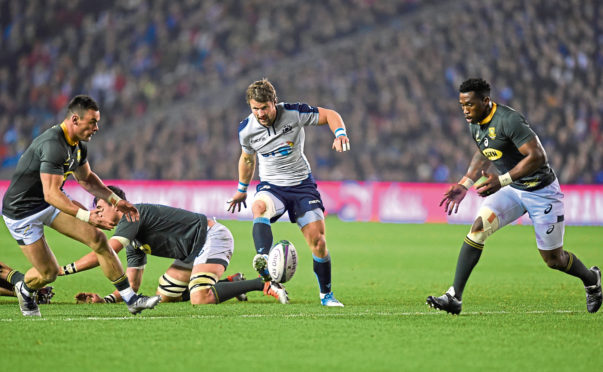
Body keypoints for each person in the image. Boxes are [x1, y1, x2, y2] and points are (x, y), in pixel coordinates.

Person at [427, 78, 602, 314]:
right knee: (478, 228)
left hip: (541, 192)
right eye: (462, 105)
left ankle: (592, 279)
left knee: (554, 259)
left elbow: (538, 157)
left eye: (469, 104)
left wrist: (501, 180)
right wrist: (466, 182)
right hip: (514, 189)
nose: (465, 110)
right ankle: (454, 297)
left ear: (486, 101)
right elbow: (484, 151)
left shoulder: (509, 120)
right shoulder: (475, 122)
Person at [1, 95, 160, 316]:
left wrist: (116, 200)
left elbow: (87, 179)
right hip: (22, 213)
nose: (96, 127)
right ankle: (25, 289)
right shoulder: (53, 144)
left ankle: (131, 299)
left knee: (98, 240)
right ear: (75, 119)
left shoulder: (77, 145)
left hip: (49, 201)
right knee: (48, 273)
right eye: (93, 122)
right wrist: (87, 216)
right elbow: (50, 193)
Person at [227, 79, 350, 307]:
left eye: (264, 108)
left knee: (319, 242)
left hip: (302, 186)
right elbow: (247, 158)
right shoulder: (246, 129)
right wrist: (242, 190)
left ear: (274, 102)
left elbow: (330, 115)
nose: (260, 114)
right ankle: (263, 257)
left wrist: (340, 133)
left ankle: (326, 295)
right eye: (255, 109)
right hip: (273, 187)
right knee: (259, 207)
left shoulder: (293, 112)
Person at [61, 186, 288, 305]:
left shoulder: (132, 216)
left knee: (199, 297)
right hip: (192, 251)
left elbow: (105, 252)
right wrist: (106, 300)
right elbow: (133, 283)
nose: (98, 214)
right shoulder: (129, 235)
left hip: (211, 237)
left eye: (101, 208)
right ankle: (231, 282)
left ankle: (263, 284)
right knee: (166, 295)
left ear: (116, 204)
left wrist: (62, 270)